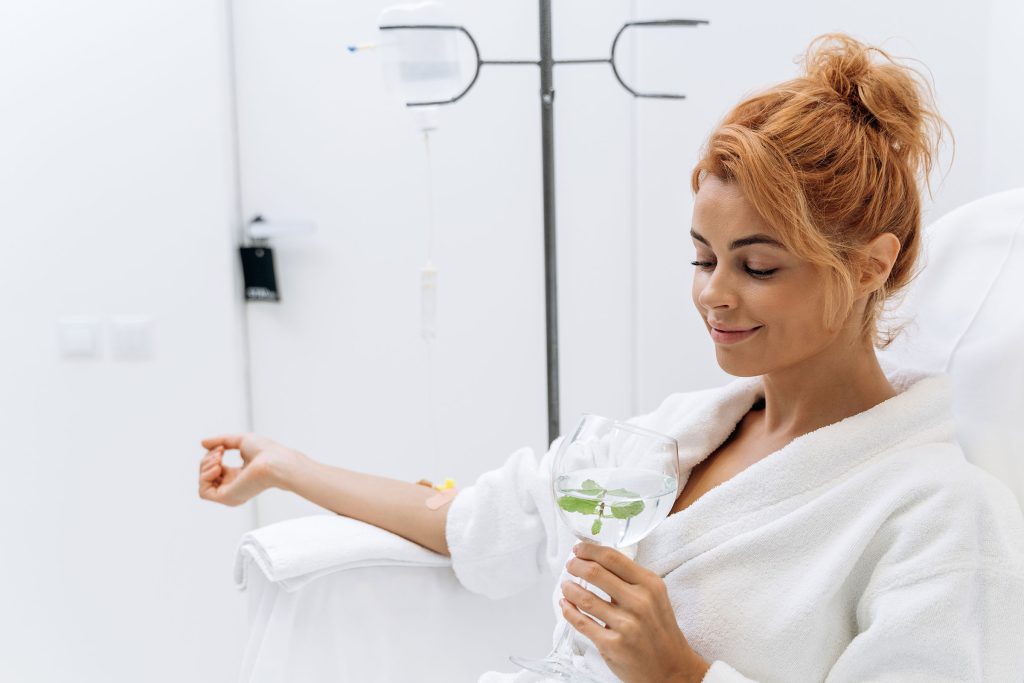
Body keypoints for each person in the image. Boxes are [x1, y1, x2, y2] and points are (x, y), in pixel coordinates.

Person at [198, 34, 1024, 682]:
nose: (715, 294)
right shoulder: (665, 438)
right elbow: (470, 521)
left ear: (873, 264)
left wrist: (679, 673)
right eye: (704, 259)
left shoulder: (939, 515)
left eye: (759, 265)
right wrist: (288, 467)